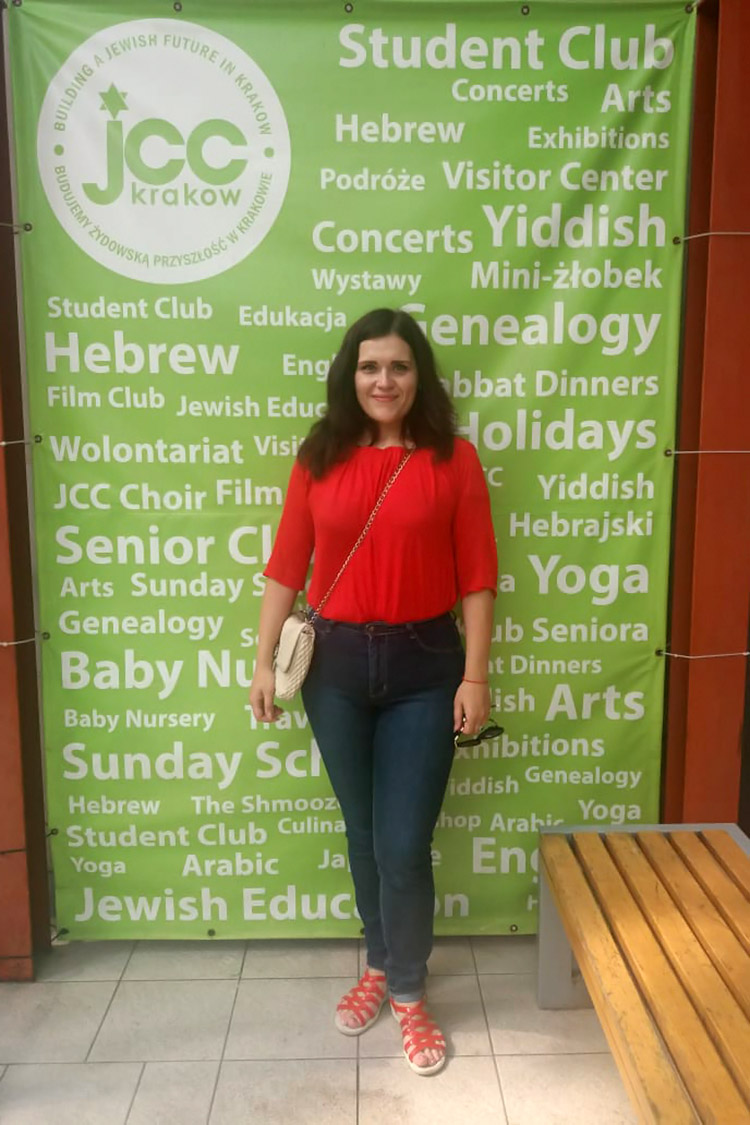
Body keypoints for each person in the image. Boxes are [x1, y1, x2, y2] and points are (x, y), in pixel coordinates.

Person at [249, 307, 497, 1076]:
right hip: (337, 668)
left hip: (426, 666)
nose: (382, 380)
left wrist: (476, 673)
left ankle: (411, 992)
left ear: (419, 375)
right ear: (348, 374)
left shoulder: (454, 459)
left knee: (403, 844)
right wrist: (263, 662)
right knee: (362, 833)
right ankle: (381, 964)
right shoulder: (319, 456)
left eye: (397, 365)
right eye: (369, 366)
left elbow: (478, 575)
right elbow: (287, 565)